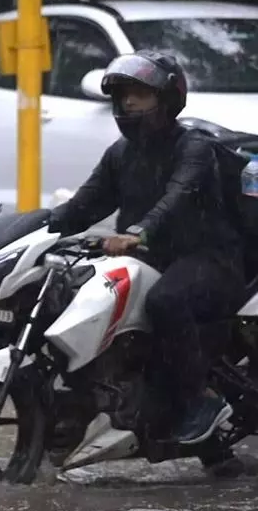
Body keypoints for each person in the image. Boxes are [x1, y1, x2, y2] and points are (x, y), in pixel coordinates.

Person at [47, 51, 245, 446]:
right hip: (150, 259)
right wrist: (35, 228)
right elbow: (82, 206)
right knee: (71, 295)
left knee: (165, 301)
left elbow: (177, 197)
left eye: (141, 94)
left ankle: (198, 402)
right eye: (123, 95)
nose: (130, 103)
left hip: (211, 259)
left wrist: (139, 232)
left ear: (167, 100)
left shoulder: (193, 148)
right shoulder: (120, 154)